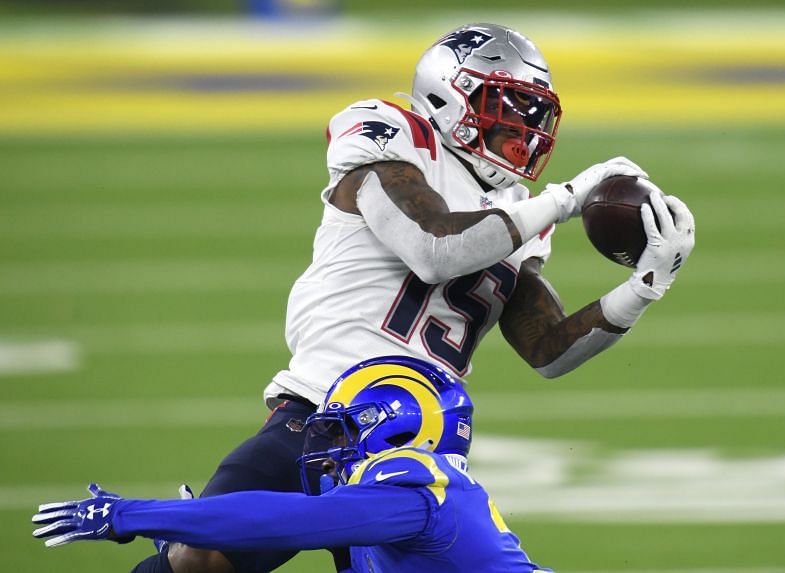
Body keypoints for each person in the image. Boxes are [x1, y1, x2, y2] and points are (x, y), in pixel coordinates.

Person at [121, 21, 695, 573]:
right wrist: (565, 198)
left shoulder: (520, 210)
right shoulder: (395, 135)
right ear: (449, 98)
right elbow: (434, 247)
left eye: (531, 117)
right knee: (201, 558)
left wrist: (642, 288)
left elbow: (547, 349)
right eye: (506, 111)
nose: (523, 132)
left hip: (415, 442)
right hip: (321, 412)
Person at [33, 356, 555, 573]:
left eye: (347, 427)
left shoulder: (415, 489)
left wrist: (133, 515)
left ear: (399, 427)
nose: (332, 443)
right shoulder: (392, 502)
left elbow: (278, 520)